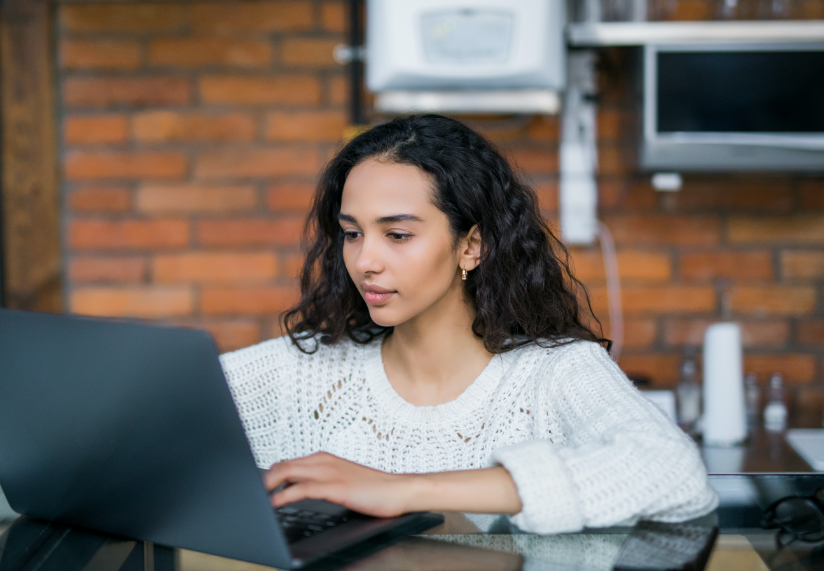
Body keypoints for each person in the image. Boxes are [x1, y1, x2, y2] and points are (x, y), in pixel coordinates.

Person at [219, 114, 718, 534]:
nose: (365, 260)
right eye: (351, 234)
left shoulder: (553, 374)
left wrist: (402, 491)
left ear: (472, 245)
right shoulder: (303, 368)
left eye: (396, 234)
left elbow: (674, 471)